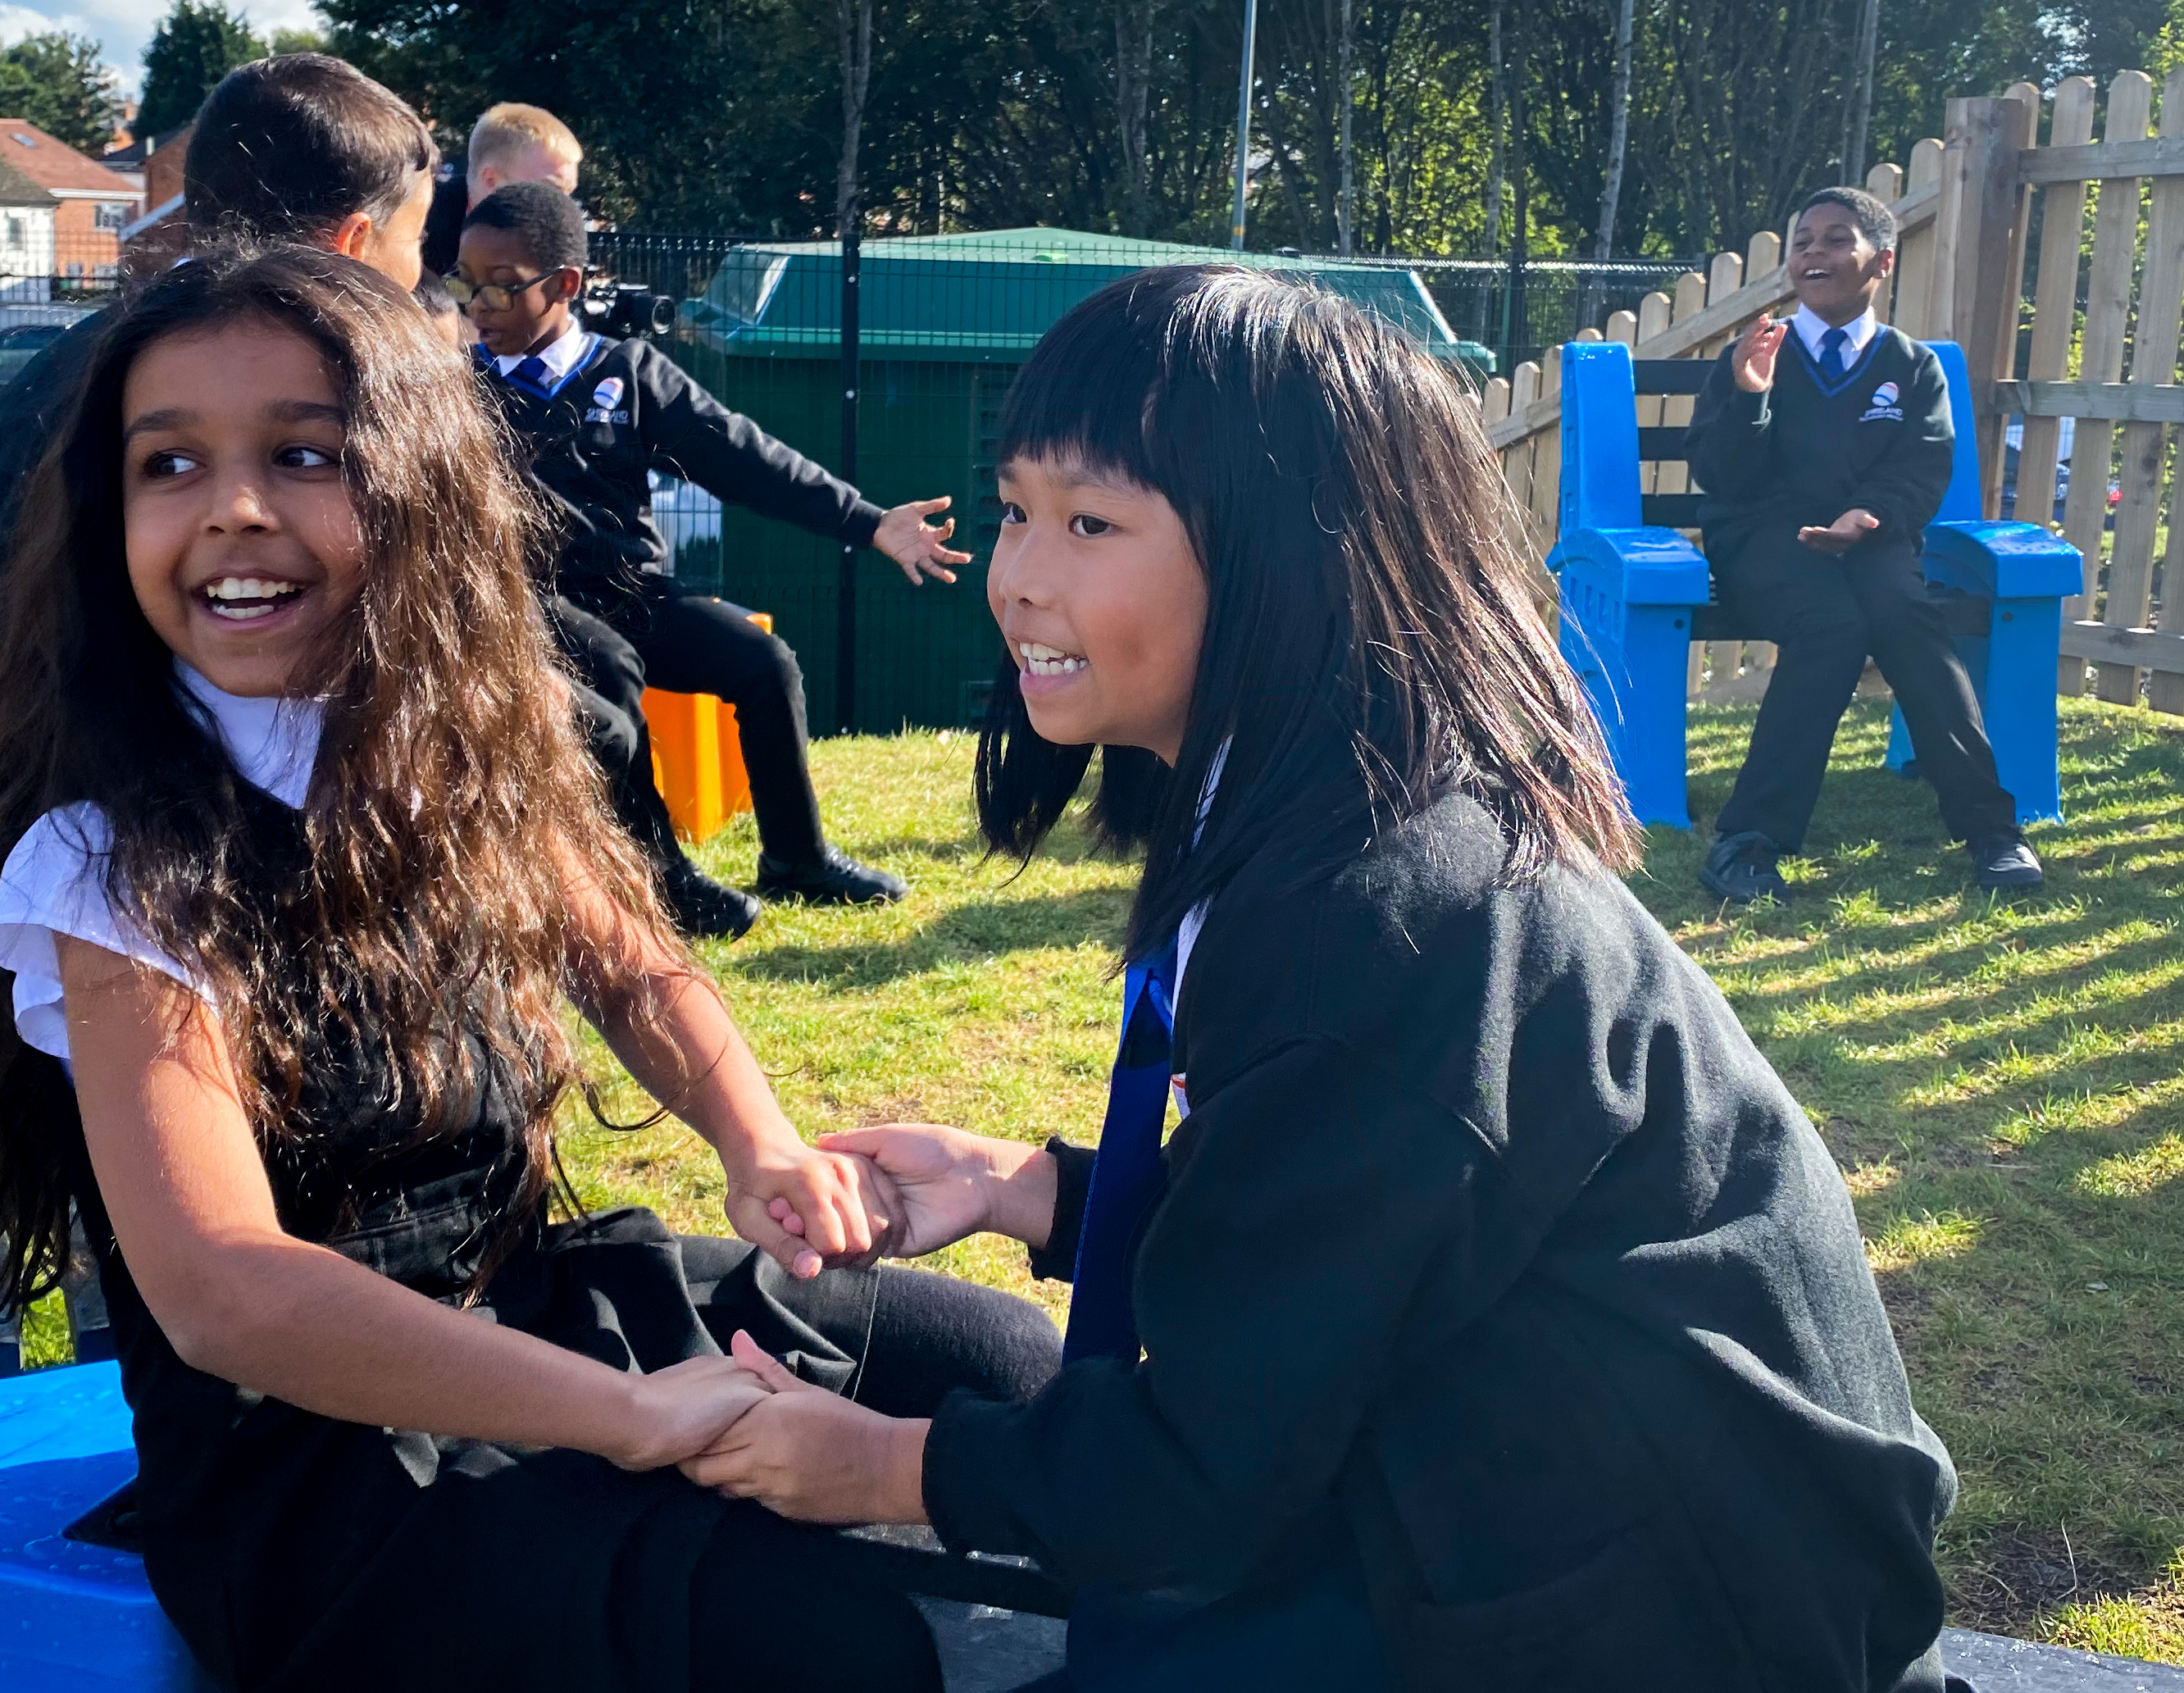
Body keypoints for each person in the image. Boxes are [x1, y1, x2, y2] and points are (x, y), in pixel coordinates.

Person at [677, 268, 1963, 1693]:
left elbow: (1209, 1470)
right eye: (1015, 510)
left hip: (1652, 1609)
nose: (1019, 575)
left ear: (1293, 560)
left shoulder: (1390, 920)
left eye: (1091, 522)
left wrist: (878, 1467)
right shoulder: (1338, 817)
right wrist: (1026, 1186)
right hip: (1507, 1479)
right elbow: (1364, 1231)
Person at [0, 244, 1062, 1693]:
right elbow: (229, 1294)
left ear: (423, 490)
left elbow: (636, 968)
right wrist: (636, 1420)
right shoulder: (111, 863)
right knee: (825, 1639)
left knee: (1000, 1361)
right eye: (168, 465)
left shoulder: (456, 766)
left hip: (539, 1307)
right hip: (330, 1470)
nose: (234, 507)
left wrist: (757, 1142)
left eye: (304, 454)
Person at [0, 53, 439, 801]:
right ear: (352, 244)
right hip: (125, 832)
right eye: (415, 240)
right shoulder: (333, 378)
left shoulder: (62, 365)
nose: (417, 278)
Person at [455, 181, 972, 930]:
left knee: (764, 663)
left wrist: (869, 522)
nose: (477, 305)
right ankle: (662, 878)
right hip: (528, 607)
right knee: (609, 667)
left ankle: (798, 858)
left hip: (632, 592)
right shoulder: (458, 395)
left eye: (500, 289)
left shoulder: (625, 372)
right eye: (464, 283)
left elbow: (746, 460)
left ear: (564, 285)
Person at [1687, 186, 2043, 902]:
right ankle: (1747, 841)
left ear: (1880, 261)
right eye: (1803, 241)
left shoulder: (1910, 365)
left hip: (1869, 535)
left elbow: (1922, 466)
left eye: (1835, 239)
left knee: (1907, 618)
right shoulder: (1754, 353)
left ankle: (1992, 830)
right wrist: (1750, 395)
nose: (1813, 252)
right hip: (1765, 538)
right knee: (1832, 626)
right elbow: (1721, 475)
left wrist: (1867, 517)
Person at [420, 100, 585, 283]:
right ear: (491, 181)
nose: (564, 211)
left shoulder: (552, 252)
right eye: (549, 191)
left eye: (568, 194)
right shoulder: (416, 232)